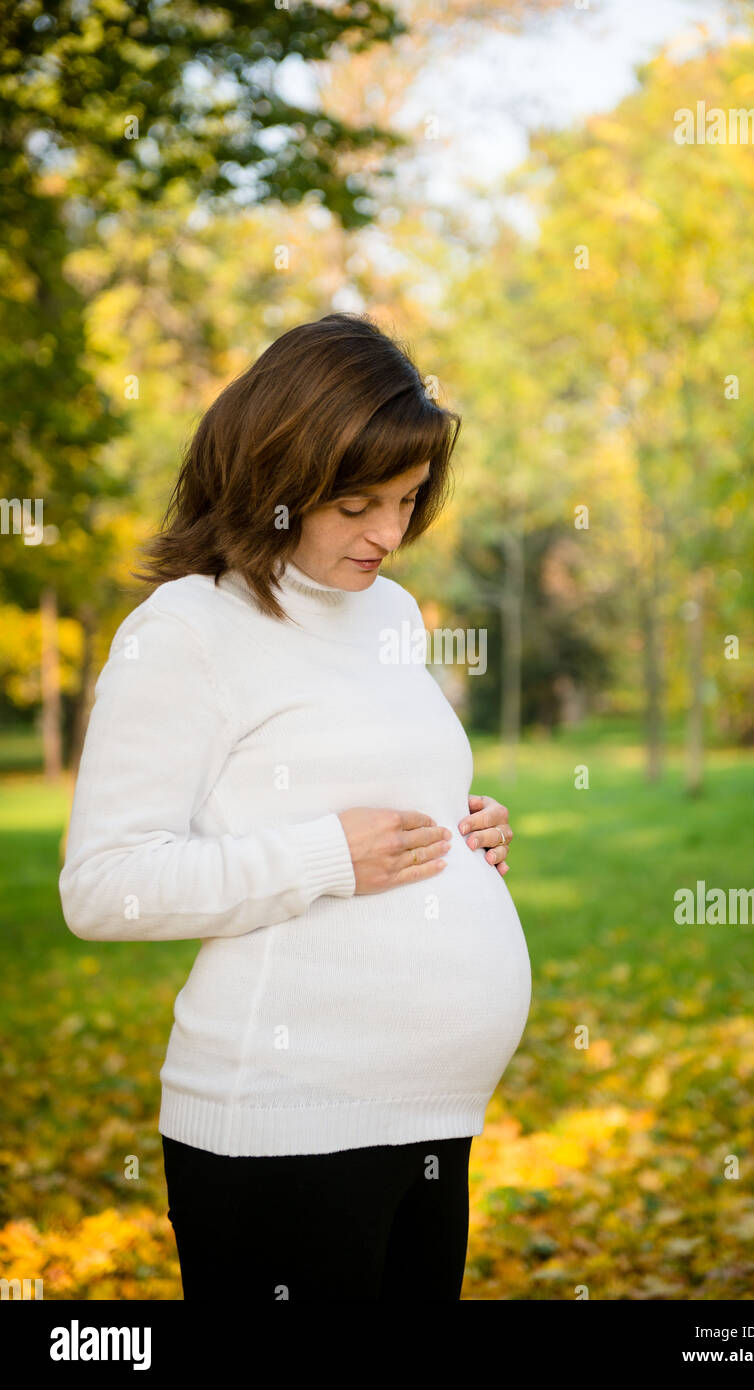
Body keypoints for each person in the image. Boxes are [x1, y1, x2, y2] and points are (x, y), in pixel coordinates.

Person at [58, 312, 533, 1301]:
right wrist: (324, 855)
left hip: (436, 1119)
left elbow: (382, 794)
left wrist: (464, 825)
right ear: (275, 479)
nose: (389, 535)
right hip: (287, 1132)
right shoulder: (189, 629)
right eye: (356, 503)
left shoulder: (392, 614)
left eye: (407, 500)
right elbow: (104, 887)